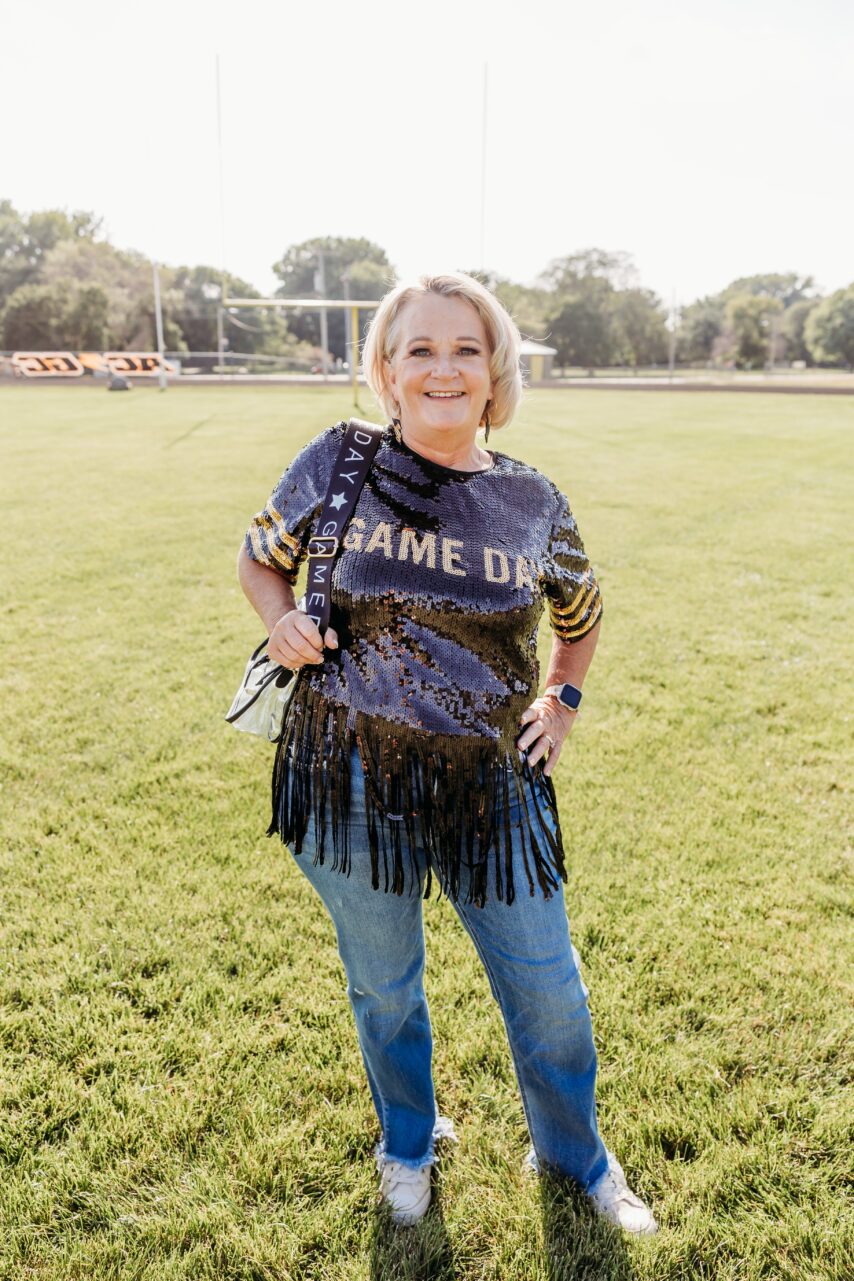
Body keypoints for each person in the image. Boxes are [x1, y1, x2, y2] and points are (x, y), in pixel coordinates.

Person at [236, 272, 657, 1235]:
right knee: (385, 988)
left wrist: (565, 695)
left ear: (495, 370)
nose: (442, 368)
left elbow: (581, 617)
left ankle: (574, 1153)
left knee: (548, 989)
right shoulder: (336, 463)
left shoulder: (532, 498)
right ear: (386, 370)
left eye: (465, 349)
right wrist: (280, 623)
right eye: (419, 348)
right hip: (348, 777)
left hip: (494, 786)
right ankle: (410, 1142)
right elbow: (262, 555)